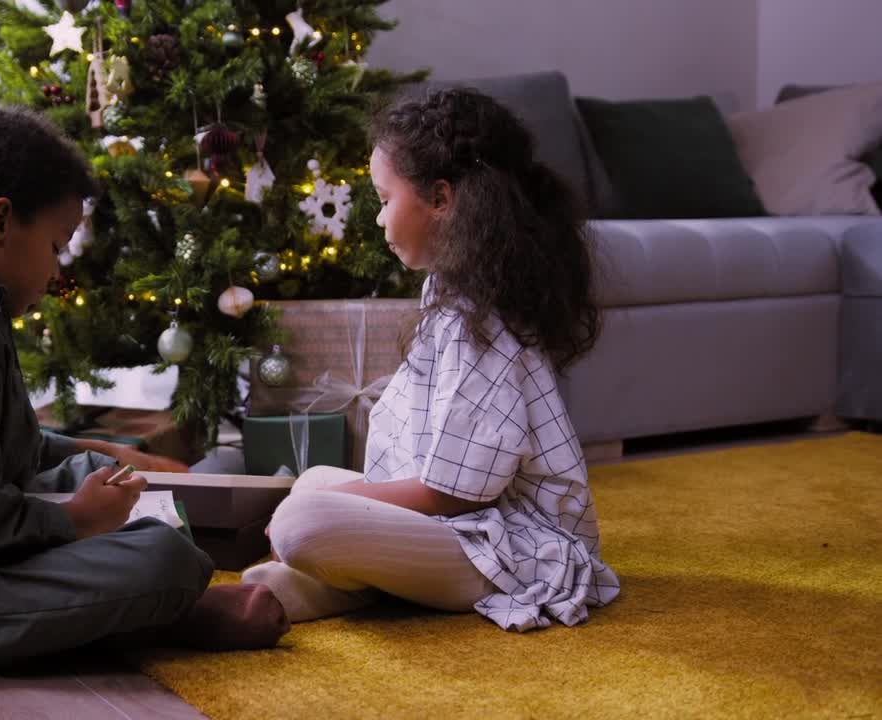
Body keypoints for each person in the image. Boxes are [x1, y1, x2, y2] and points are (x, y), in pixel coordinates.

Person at [0, 105, 288, 678]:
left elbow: (18, 448)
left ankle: (129, 599)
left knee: (115, 477)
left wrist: (125, 459)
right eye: (54, 244)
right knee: (164, 559)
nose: (57, 270)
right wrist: (75, 522)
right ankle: (160, 614)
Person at [243, 88, 621, 632]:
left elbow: (451, 495)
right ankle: (356, 585)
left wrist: (343, 503)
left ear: (440, 200)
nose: (377, 220)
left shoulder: (484, 323)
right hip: (464, 519)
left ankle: (353, 584)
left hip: (505, 544)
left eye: (383, 198)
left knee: (303, 519)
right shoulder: (448, 290)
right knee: (311, 485)